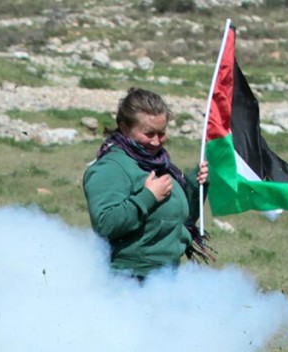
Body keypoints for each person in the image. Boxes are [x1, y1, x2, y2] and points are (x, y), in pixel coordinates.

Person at [83, 88, 212, 277]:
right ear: (124, 127)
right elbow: (105, 224)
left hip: (164, 280)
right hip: (127, 283)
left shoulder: (162, 167)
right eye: (148, 133)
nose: (156, 141)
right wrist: (148, 197)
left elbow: (179, 221)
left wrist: (195, 185)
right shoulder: (110, 168)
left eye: (161, 133)